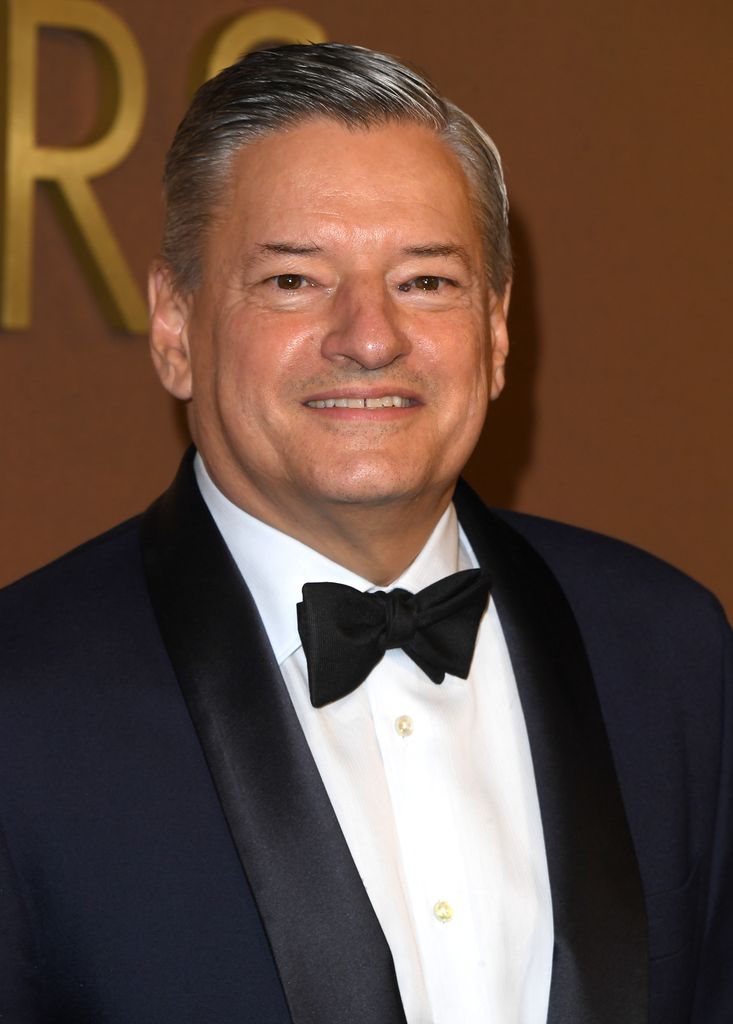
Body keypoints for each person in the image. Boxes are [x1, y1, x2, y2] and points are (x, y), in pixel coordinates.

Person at [0, 43, 730, 1024]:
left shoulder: (668, 653)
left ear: (498, 330)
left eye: (426, 281)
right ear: (175, 327)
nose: (370, 335)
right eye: (295, 281)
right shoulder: (22, 696)